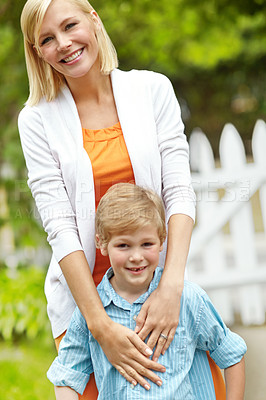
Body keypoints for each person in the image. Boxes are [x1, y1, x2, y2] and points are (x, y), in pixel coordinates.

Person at [18, 0, 227, 398]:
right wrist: (99, 325)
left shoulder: (151, 89)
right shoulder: (36, 120)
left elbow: (179, 192)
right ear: (37, 51)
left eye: (69, 26)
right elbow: (59, 226)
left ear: (93, 20)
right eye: (47, 39)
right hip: (86, 307)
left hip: (154, 294)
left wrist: (170, 289)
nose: (63, 43)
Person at [47, 183, 247, 400]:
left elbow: (232, 355)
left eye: (146, 244)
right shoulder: (90, 314)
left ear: (162, 240)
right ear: (102, 243)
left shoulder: (189, 299)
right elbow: (67, 376)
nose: (136, 256)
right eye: (123, 245)